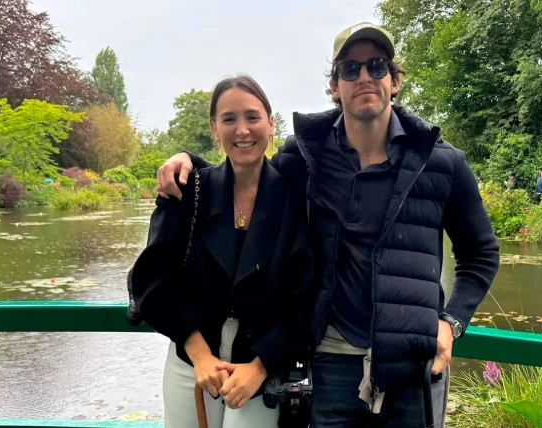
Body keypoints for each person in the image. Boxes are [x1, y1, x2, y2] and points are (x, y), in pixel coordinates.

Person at [155, 22, 500, 428]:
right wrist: (188, 163)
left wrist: (451, 323)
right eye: (350, 70)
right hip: (331, 367)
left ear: (395, 80)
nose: (365, 77)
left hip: (412, 364)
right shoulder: (305, 154)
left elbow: (480, 253)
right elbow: (243, 167)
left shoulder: (442, 163)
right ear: (335, 86)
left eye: (376, 65)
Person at [131, 75, 313, 428]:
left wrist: (260, 366)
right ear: (215, 128)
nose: (242, 130)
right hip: (191, 367)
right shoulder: (188, 192)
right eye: (229, 119)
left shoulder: (295, 198)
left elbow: (303, 294)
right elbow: (154, 281)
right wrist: (199, 355)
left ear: (271, 124)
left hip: (260, 372)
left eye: (252, 117)